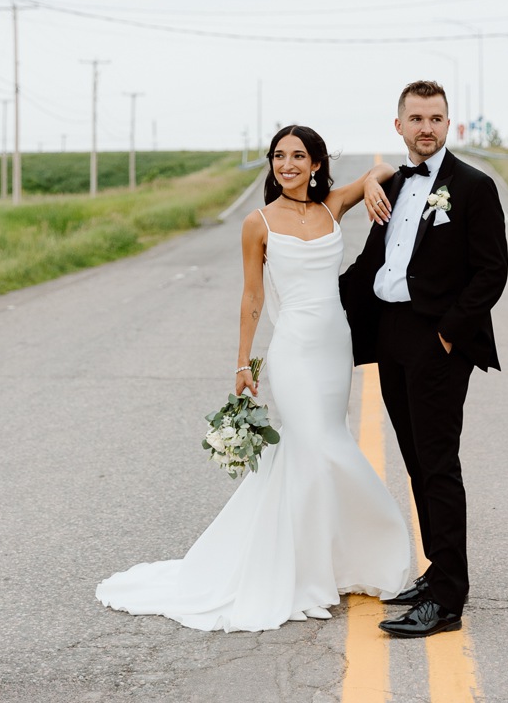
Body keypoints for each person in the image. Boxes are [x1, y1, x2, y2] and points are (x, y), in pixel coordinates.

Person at [96, 125, 410, 633]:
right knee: (317, 448)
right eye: (279, 156)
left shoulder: (333, 206)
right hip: (293, 353)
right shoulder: (257, 222)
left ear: (316, 164)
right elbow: (252, 298)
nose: (287, 165)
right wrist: (243, 363)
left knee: (325, 444)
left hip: (335, 349)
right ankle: (305, 572)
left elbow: (384, 169)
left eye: (298, 156)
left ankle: (333, 563)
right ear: (272, 164)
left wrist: (372, 181)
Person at [340, 81, 508, 639]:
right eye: (416, 118)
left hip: (437, 341)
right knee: (415, 460)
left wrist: (448, 336)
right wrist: (312, 300)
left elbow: (491, 271)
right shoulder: (390, 183)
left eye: (436, 117)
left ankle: (449, 599)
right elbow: (373, 266)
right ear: (399, 127)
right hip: (391, 337)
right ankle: (437, 572)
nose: (427, 127)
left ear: (448, 123)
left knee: (438, 464)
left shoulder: (473, 187)